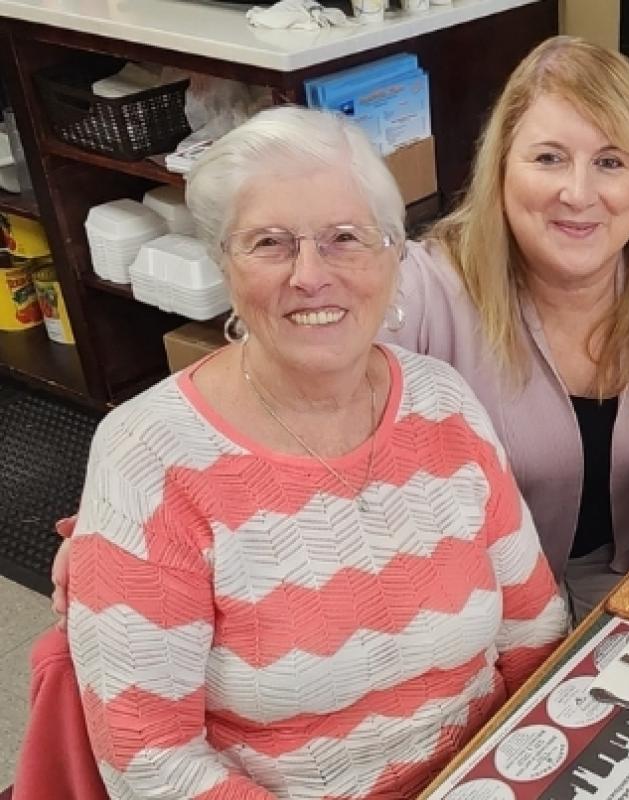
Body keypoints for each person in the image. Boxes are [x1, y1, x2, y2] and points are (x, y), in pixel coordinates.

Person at [50, 36, 629, 623]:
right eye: (548, 158)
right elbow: (279, 382)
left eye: (610, 162)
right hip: (480, 604)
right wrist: (121, 517)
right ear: (501, 171)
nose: (578, 192)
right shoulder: (426, 284)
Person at [55, 106, 567, 799]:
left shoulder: (442, 401)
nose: (309, 275)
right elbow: (150, 761)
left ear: (394, 254)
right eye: (269, 243)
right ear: (223, 263)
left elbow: (533, 629)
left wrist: (536, 768)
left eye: (345, 238)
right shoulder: (149, 455)